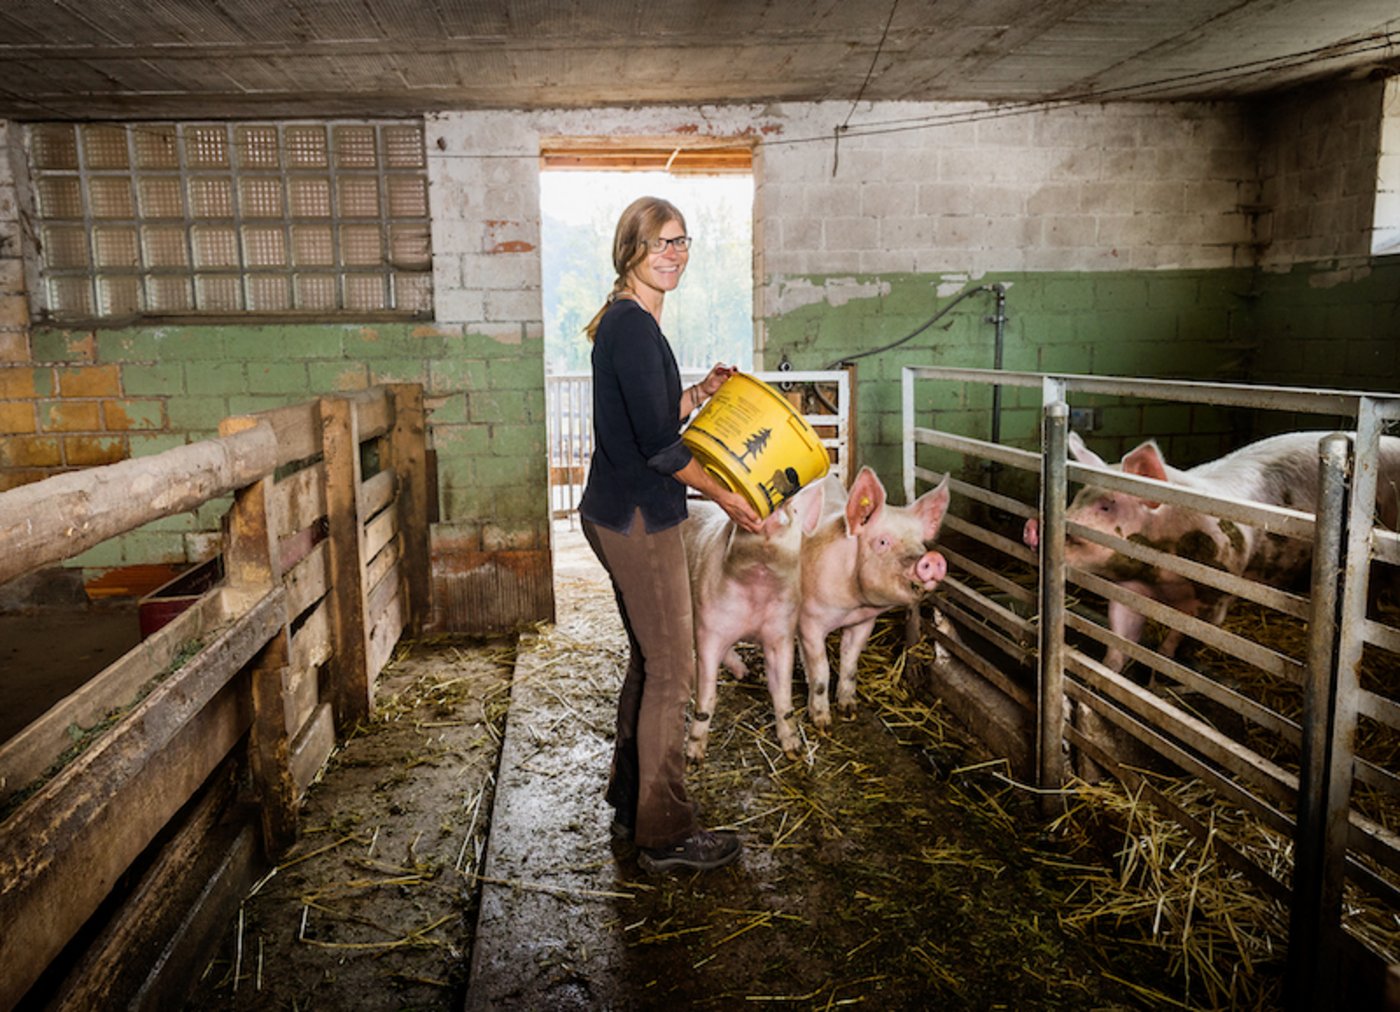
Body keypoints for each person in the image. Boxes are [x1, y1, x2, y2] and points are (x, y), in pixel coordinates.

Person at [578, 195, 761, 874]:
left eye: (683, 242)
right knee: (675, 669)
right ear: (632, 250)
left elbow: (652, 417)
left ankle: (631, 799)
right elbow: (658, 447)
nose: (675, 254)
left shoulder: (634, 323)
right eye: (661, 243)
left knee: (649, 659)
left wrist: (697, 394)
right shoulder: (631, 327)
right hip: (637, 517)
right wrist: (728, 497)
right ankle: (665, 834)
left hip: (622, 508)